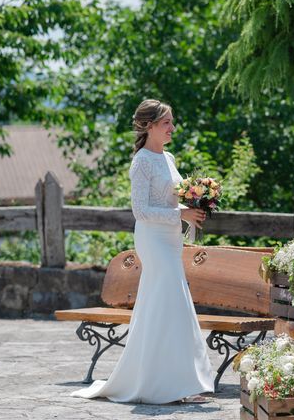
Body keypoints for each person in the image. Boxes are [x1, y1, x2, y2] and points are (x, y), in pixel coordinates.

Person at [71, 99, 213, 404]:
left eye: (172, 122)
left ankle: (178, 381)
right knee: (170, 302)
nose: (172, 128)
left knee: (170, 305)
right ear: (149, 126)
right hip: (153, 240)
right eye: (166, 123)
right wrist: (181, 215)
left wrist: (193, 208)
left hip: (172, 240)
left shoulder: (170, 158)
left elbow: (171, 202)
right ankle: (163, 384)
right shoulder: (141, 162)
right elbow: (140, 211)